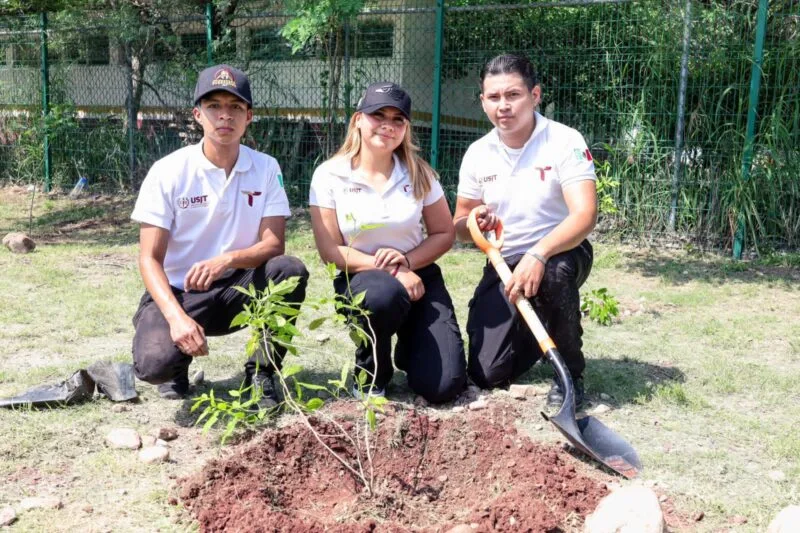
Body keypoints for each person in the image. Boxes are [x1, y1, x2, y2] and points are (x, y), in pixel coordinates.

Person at [130, 64, 309, 407]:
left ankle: (262, 371)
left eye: (235, 107)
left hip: (236, 288)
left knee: (289, 270)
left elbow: (273, 244)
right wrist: (176, 318)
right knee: (154, 366)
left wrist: (227, 259)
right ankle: (177, 363)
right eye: (214, 106)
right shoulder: (168, 171)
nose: (224, 116)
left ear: (249, 117)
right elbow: (149, 258)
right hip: (181, 293)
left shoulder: (266, 167)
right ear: (198, 114)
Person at [453, 54, 597, 408]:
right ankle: (543, 318)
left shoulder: (564, 141)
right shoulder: (477, 153)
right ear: (483, 101)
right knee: (488, 373)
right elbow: (458, 226)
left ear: (535, 95)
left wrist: (539, 253)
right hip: (504, 263)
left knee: (553, 275)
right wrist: (476, 222)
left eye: (513, 95)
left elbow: (585, 214)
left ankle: (571, 376)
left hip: (562, 252)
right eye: (494, 97)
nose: (503, 106)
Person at [309, 82, 466, 403]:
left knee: (445, 386)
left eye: (398, 119)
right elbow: (331, 251)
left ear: (406, 127)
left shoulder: (420, 173)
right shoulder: (330, 176)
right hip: (362, 279)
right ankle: (372, 372)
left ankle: (410, 346)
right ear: (358, 120)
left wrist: (407, 263)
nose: (388, 125)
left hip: (419, 275)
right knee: (382, 296)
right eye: (378, 115)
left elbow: (444, 233)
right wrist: (394, 271)